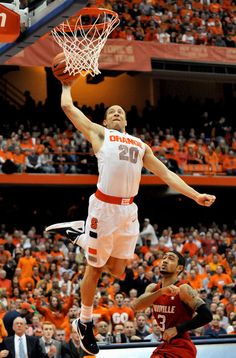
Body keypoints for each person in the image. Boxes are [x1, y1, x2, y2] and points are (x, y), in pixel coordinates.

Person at [45, 82, 216, 355]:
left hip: (129, 211)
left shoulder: (140, 145)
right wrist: (66, 85)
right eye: (111, 111)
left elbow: (167, 175)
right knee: (96, 267)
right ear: (104, 120)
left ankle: (82, 235)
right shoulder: (100, 134)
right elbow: (68, 107)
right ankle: (85, 321)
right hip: (104, 207)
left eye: (120, 112)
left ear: (126, 120)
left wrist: (195, 195)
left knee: (118, 271)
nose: (116, 113)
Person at [132, 250, 213, 357]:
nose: (165, 261)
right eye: (164, 258)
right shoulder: (153, 288)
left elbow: (207, 315)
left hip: (182, 345)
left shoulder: (183, 289)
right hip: (166, 344)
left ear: (179, 268)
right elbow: (136, 306)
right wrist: (160, 292)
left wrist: (177, 329)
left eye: (170, 259)